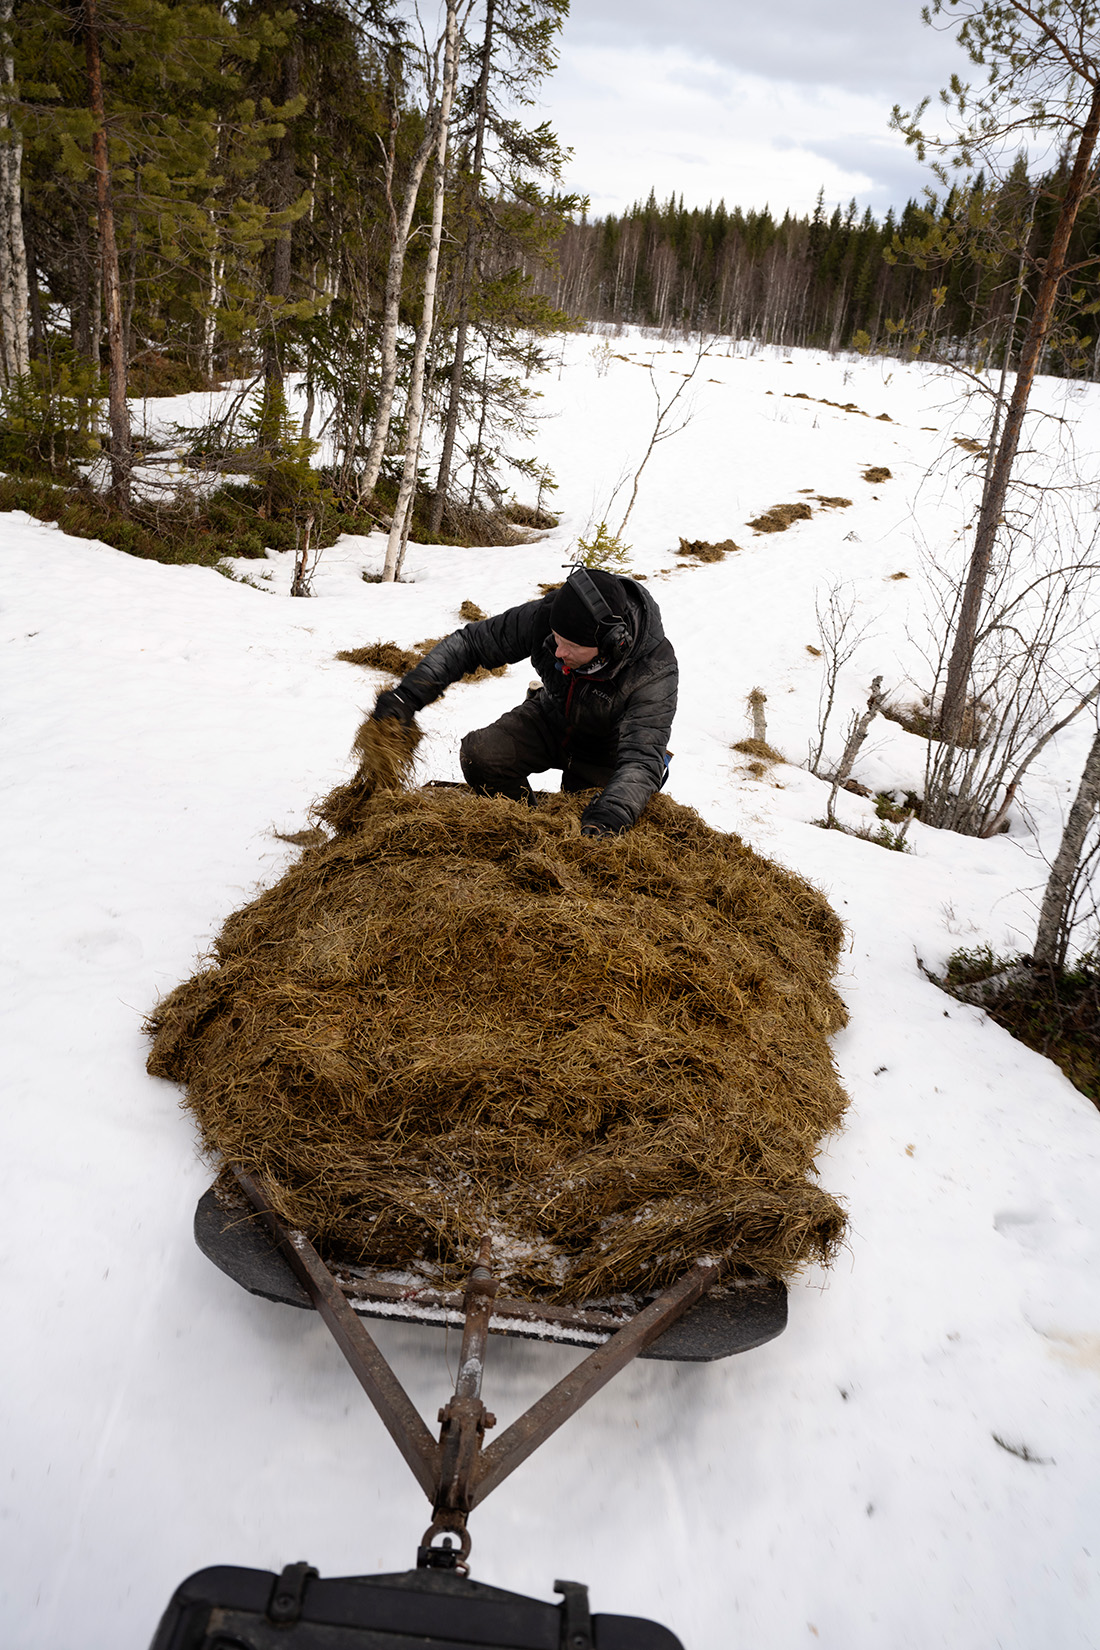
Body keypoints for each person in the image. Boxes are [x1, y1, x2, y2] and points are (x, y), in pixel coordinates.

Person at [372, 565, 678, 837]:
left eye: (571, 646)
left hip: (608, 752)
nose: (558, 652)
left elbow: (641, 760)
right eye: (556, 639)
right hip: (552, 717)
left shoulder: (654, 670)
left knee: (589, 826)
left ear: (613, 644)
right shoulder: (548, 615)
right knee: (481, 754)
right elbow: (471, 643)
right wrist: (409, 695)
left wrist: (612, 814)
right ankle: (524, 829)